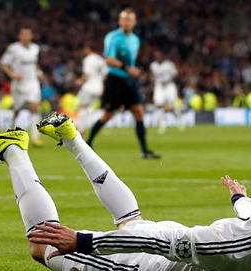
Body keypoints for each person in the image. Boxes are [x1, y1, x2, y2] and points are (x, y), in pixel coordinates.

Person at [0, 112, 251, 271]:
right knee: (43, 246)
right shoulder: (232, 246)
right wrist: (83, 241)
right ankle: (12, 149)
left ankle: (71, 136)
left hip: (177, 239)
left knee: (130, 218)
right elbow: (155, 243)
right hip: (145, 262)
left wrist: (238, 199)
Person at [86, 8, 160, 159]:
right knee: (107, 116)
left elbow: (131, 61)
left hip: (129, 82)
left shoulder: (135, 39)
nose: (127, 22)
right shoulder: (113, 37)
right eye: (124, 19)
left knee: (139, 112)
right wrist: (128, 68)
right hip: (115, 80)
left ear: (134, 22)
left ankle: (145, 151)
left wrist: (133, 71)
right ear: (120, 21)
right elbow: (108, 59)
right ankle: (88, 143)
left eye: (130, 20)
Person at [1, 28, 45, 147]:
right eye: (23, 34)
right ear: (19, 36)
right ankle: (11, 128)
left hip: (32, 83)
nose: (26, 37)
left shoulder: (35, 48)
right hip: (19, 84)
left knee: (35, 107)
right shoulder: (13, 49)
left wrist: (39, 72)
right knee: (17, 109)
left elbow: (35, 63)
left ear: (31, 36)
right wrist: (13, 75)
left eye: (28, 35)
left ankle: (36, 138)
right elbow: (4, 65)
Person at [75, 43, 108, 135]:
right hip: (99, 87)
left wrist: (79, 81)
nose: (84, 51)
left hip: (89, 87)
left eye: (85, 49)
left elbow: (87, 75)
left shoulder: (88, 60)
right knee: (89, 107)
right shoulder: (101, 59)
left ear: (88, 49)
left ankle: (81, 129)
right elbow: (105, 74)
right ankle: (95, 125)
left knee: (81, 106)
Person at [150, 50, 182, 133]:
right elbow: (153, 76)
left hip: (169, 85)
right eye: (156, 56)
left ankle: (179, 121)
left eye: (159, 56)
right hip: (159, 86)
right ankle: (162, 125)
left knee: (174, 104)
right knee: (159, 104)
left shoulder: (169, 64)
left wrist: (168, 80)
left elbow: (176, 74)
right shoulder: (153, 65)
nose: (158, 58)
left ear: (162, 56)